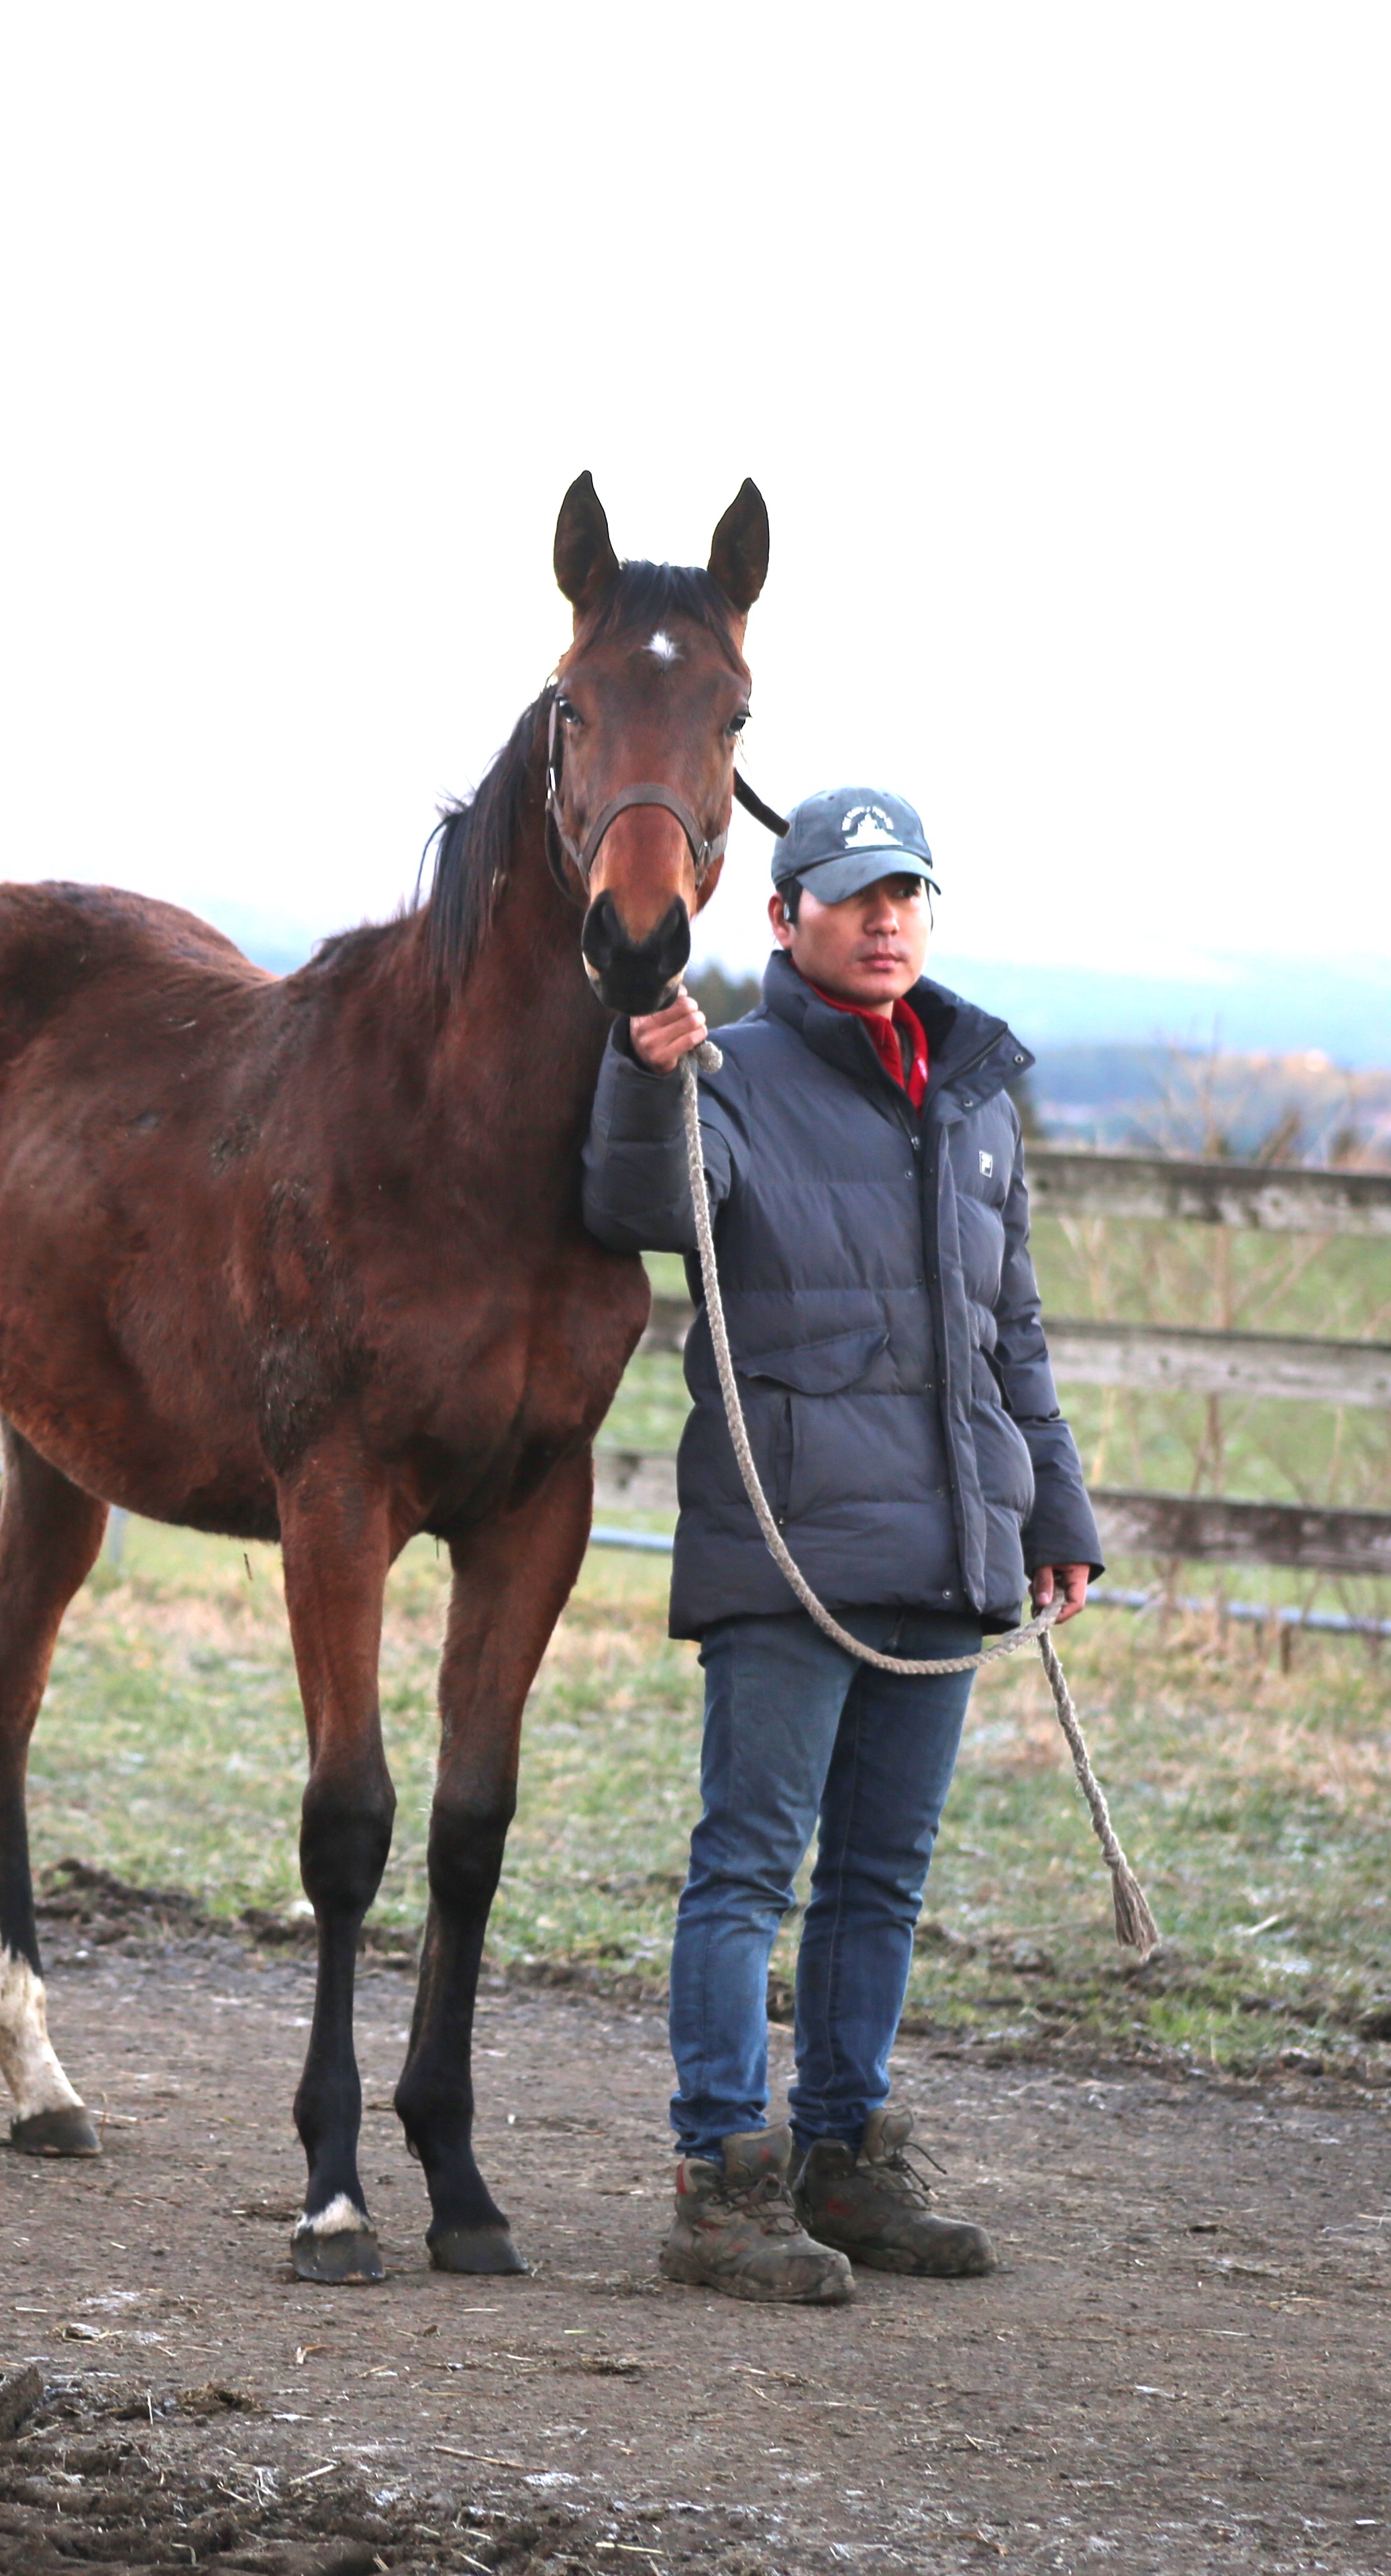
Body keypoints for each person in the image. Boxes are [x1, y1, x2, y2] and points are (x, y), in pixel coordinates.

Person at [579, 784, 1101, 2305]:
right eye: (854, 895)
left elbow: (1011, 1330)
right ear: (784, 917)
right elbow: (637, 1202)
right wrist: (643, 1077)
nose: (886, 920)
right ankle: (719, 2181)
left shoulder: (975, 1098)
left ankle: (847, 2159)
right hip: (792, 1543)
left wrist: (1052, 1510)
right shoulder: (726, 1075)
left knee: (882, 1877)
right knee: (748, 1869)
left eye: (908, 895)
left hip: (947, 1546)